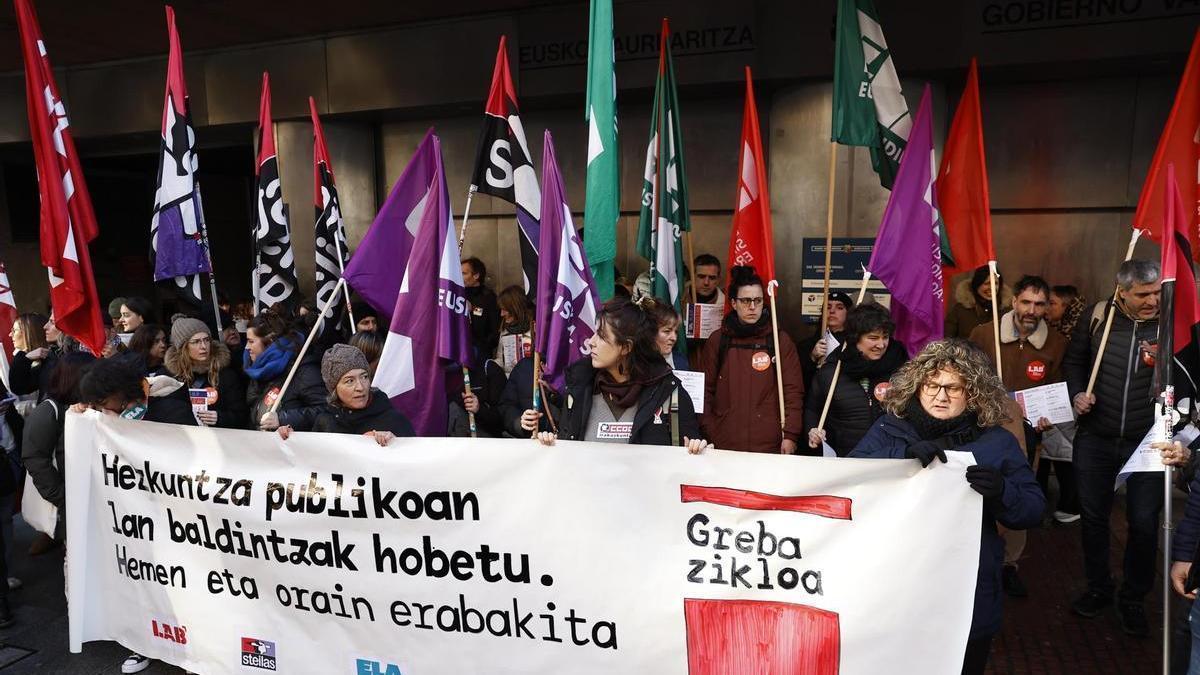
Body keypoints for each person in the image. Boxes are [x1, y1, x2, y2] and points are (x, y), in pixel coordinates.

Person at [849, 339, 1044, 674]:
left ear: (973, 392)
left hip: (966, 591)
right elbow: (852, 483)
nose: (941, 396)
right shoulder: (889, 430)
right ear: (917, 386)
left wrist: (1001, 492)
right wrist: (899, 461)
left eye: (953, 388)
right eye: (932, 385)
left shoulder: (996, 442)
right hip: (897, 589)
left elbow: (1033, 508)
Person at [1063, 259, 1161, 635]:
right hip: (1096, 437)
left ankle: (1134, 596)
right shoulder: (1098, 318)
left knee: (1143, 522)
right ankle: (1098, 587)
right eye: (1143, 294)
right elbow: (1073, 363)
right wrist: (1076, 394)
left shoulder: (1171, 324)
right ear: (1122, 291)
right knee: (1093, 518)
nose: (1153, 300)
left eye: (1156, 292)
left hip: (1149, 440)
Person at [968, 274, 1068, 598]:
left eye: (1040, 304)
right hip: (981, 430)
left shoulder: (1056, 342)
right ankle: (974, 561)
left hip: (1027, 436)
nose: (1032, 309)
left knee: (1018, 496)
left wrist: (1047, 418)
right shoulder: (984, 334)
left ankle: (1009, 565)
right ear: (1013, 302)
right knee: (978, 494)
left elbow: (1055, 389)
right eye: (1026, 302)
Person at [532, 298, 711, 453]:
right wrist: (549, 443)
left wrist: (697, 449)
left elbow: (689, 459)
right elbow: (566, 449)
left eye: (601, 336)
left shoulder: (669, 392)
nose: (591, 342)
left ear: (626, 347)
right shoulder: (579, 389)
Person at [698, 266, 804, 454]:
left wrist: (790, 435)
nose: (753, 307)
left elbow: (793, 392)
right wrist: (711, 432)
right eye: (746, 301)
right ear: (733, 303)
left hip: (770, 446)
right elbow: (704, 392)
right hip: (724, 445)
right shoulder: (718, 340)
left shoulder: (779, 341)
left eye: (758, 300)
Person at [804, 304, 906, 457]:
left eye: (885, 337)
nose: (881, 344)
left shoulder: (900, 369)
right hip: (845, 458)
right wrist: (812, 430)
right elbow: (812, 409)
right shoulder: (831, 370)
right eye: (873, 338)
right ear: (855, 338)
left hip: (889, 458)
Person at [279, 344, 413, 445]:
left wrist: (396, 445)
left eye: (364, 377)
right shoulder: (325, 423)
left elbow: (416, 465)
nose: (360, 387)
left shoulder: (395, 420)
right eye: (350, 381)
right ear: (334, 388)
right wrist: (291, 440)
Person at [21, 352, 93, 542]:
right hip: (66, 505)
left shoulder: (89, 406)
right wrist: (65, 498)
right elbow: (35, 460)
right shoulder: (47, 412)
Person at [243, 311, 327, 432]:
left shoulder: (303, 371)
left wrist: (284, 419)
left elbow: (325, 410)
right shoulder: (257, 371)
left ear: (270, 341)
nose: (246, 347)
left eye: (251, 341)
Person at [163, 317, 247, 429]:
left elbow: (242, 416)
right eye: (196, 342)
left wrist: (220, 417)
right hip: (183, 440)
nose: (203, 346)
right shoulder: (170, 377)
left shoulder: (226, 375)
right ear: (183, 347)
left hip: (220, 439)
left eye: (206, 340)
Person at [797, 292, 854, 387]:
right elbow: (799, 379)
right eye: (828, 307)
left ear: (849, 313)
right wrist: (812, 358)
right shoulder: (806, 345)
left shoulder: (855, 344)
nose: (832, 311)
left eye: (839, 307)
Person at [945, 265, 1011, 340]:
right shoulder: (960, 310)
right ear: (977, 285)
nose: (992, 288)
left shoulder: (1007, 312)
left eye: (996, 283)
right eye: (987, 283)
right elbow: (948, 340)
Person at [461, 257, 501, 363]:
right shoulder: (458, 293)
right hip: (458, 349)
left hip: (479, 352)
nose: (460, 276)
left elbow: (495, 329)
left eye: (464, 273)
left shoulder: (488, 297)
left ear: (476, 276)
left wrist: (473, 309)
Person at [7, 312, 49, 402]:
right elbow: (18, 388)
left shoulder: (50, 360)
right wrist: (25, 358)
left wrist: (24, 358)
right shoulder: (33, 361)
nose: (10, 334)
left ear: (29, 332)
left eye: (15, 330)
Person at [495, 285, 534, 375]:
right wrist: (490, 365)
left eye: (505, 310)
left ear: (515, 309)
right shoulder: (505, 329)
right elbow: (501, 360)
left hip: (530, 379)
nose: (501, 314)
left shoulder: (535, 328)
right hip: (510, 380)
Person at [644, 297, 688, 369]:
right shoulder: (637, 364)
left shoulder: (681, 361)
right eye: (667, 331)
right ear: (650, 332)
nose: (674, 338)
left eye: (676, 332)